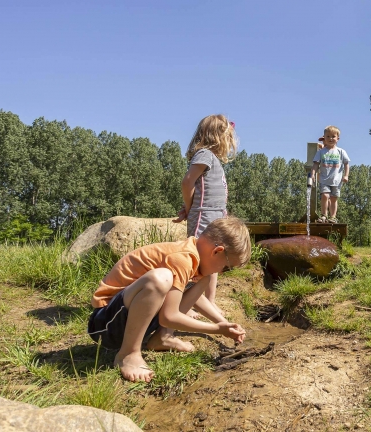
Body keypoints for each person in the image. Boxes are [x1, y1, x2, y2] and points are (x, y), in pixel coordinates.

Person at [87, 217, 251, 382]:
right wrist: (217, 329)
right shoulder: (182, 258)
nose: (223, 272)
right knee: (161, 278)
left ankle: (163, 336)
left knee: (204, 279)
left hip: (129, 318)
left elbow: (195, 298)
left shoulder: (193, 255)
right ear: (217, 251)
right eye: (227, 268)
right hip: (105, 323)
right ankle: (128, 353)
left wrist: (224, 323)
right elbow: (169, 316)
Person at [173, 114, 237, 322]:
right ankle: (185, 303)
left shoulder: (212, 158)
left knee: (213, 260)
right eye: (229, 136)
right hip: (204, 214)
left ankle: (209, 302)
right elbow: (187, 182)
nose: (230, 142)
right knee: (198, 261)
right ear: (218, 136)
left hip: (214, 214)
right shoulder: (204, 154)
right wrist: (191, 208)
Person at [310, 125, 350, 223]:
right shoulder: (321, 152)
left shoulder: (341, 151)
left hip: (336, 180)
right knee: (325, 196)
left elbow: (346, 164)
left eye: (333, 136)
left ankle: (333, 217)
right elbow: (315, 164)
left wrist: (346, 175)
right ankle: (324, 215)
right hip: (324, 179)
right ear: (324, 138)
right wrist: (312, 174)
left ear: (337, 139)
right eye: (327, 136)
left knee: (333, 198)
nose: (330, 139)